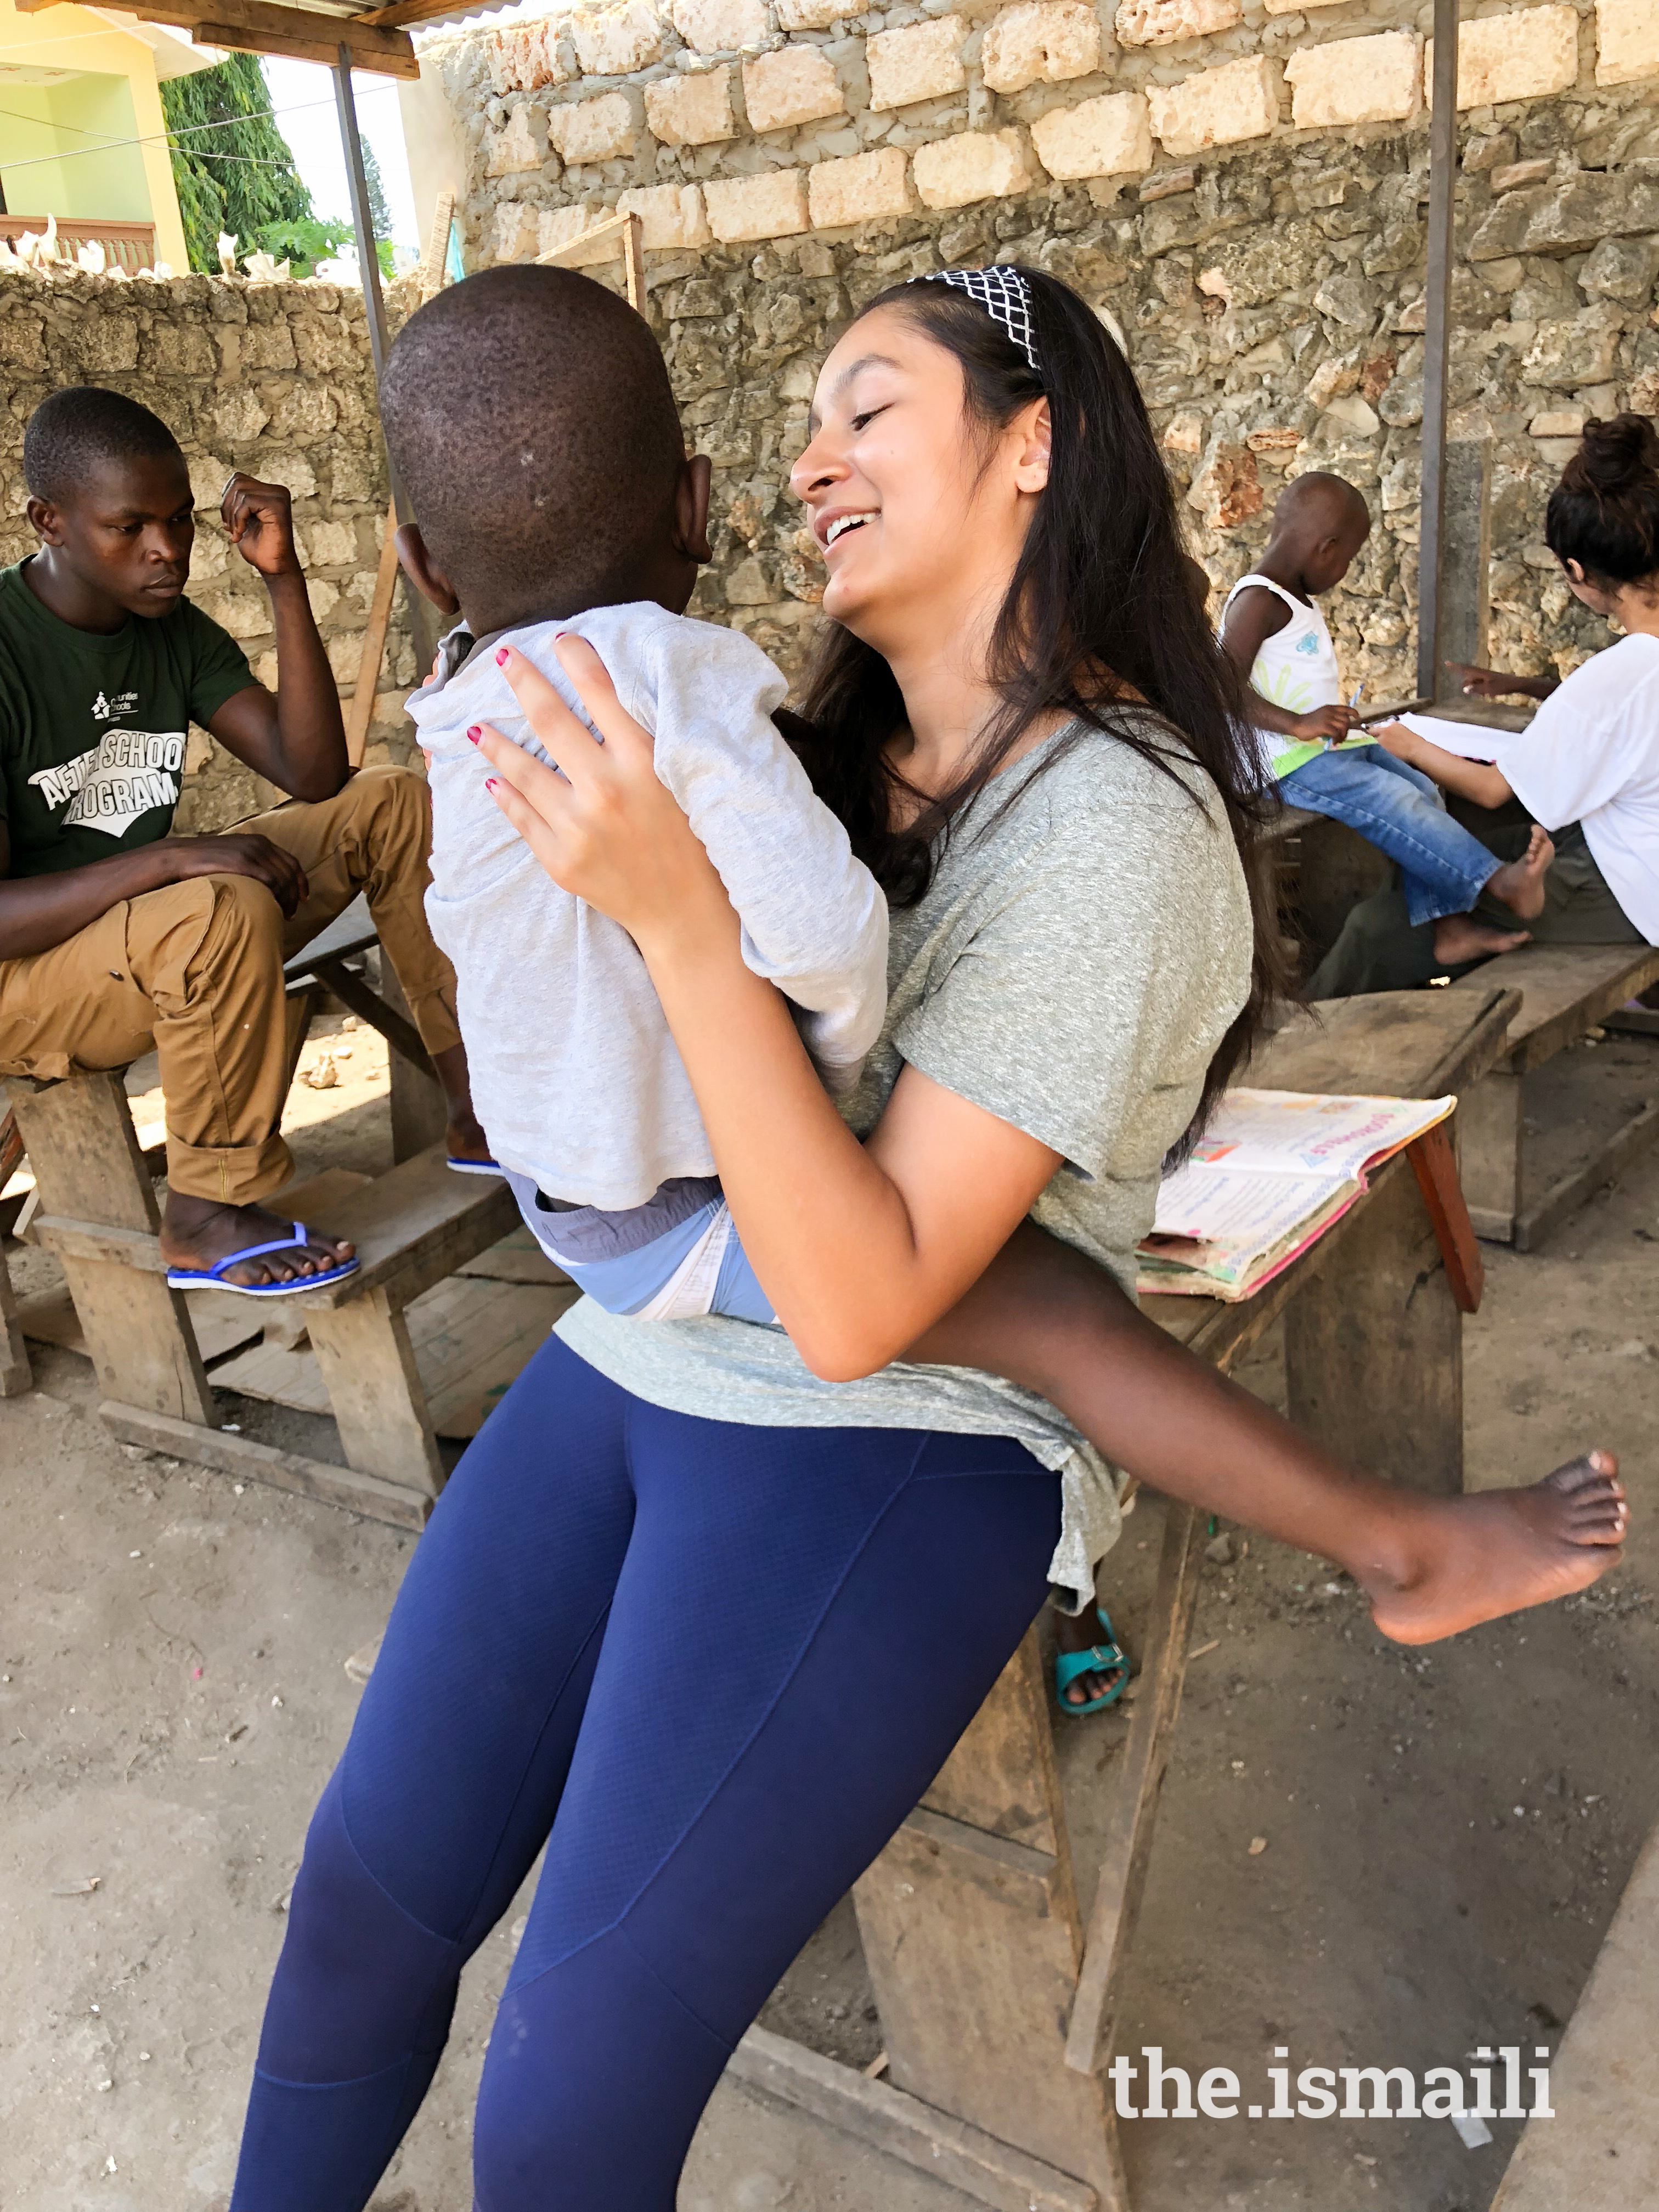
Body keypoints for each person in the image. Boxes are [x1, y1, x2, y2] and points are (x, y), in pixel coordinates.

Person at [228, 269, 1625, 2212]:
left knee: (557, 2109)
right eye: (803, 428)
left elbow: (868, 1295)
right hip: (652, 1343)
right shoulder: (780, 728)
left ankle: (1403, 1541)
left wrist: (679, 928)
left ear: (1030, 446)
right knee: (356, 1921)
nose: (813, 463)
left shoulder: (1112, 828)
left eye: (867, 409)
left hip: (880, 1411)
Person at [381, 266, 888, 1323]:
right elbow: (826, 939)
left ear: (423, 570)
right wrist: (835, 1082)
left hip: (555, 1194)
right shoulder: (669, 671)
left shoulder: (454, 704)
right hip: (689, 1206)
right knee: (1021, 1295)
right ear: (695, 506)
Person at [0, 386, 489, 1294]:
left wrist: (284, 580)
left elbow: (312, 775)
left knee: (388, 800)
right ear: (49, 520)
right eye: (131, 527)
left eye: (180, 521)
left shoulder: (169, 631)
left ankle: (475, 1099)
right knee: (213, 905)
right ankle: (206, 1211)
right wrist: (172, 856)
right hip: (24, 982)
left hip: (140, 926)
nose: (167, 551)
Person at [1314, 415, 1659, 995]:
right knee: (1442, 853)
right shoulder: (1631, 670)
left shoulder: (1620, 674)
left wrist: (1409, 743)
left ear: (1577, 572)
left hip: (1627, 889)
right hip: (1626, 851)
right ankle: (1446, 935)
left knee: (1375, 928)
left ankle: (1287, 1061)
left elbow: (1495, 790)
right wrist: (1525, 688)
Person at [1222, 472, 1555, 972]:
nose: (1347, 569)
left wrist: (1321, 721)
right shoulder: (1259, 599)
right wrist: (1297, 723)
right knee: (1392, 798)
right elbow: (1220, 683)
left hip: (1321, 750)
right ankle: (1496, 882)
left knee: (1422, 785)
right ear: (1326, 549)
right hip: (1284, 763)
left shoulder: (1292, 599)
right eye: (1350, 559)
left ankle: (1448, 926)